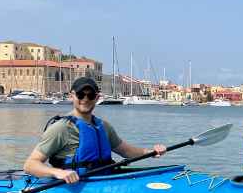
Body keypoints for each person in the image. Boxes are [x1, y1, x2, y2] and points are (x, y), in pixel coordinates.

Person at [24, 77, 167, 183]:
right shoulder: (61, 128)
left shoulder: (104, 126)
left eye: (91, 95)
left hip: (104, 181)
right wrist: (57, 173)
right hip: (75, 186)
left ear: (97, 98)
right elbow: (30, 165)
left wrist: (151, 152)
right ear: (72, 96)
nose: (85, 99)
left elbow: (126, 151)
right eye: (80, 95)